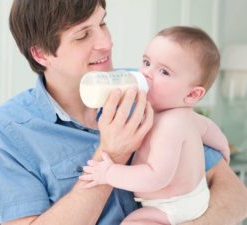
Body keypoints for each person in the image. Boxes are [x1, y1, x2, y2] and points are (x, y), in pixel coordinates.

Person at [0, 1, 247, 225]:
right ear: (41, 54)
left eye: (103, 23)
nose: (106, 43)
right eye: (83, 35)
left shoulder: (150, 90)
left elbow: (236, 195)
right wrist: (112, 153)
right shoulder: (7, 128)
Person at [79, 26, 230, 225]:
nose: (147, 73)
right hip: (191, 196)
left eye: (164, 72)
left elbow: (155, 176)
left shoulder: (171, 125)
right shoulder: (186, 117)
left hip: (172, 207)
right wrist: (224, 149)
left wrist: (108, 173)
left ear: (192, 94)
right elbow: (211, 130)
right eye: (146, 62)